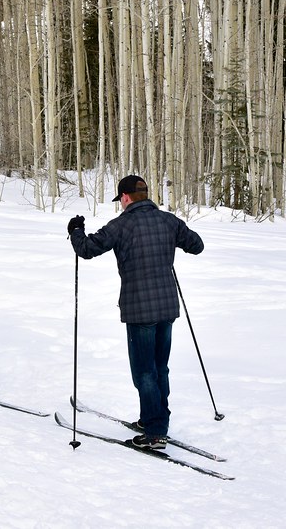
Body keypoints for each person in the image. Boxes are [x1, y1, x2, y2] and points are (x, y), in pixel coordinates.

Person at [67, 175, 204, 449]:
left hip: (139, 310)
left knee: (144, 372)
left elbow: (87, 249)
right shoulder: (169, 221)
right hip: (166, 307)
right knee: (159, 368)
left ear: (126, 197)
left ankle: (155, 432)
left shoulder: (122, 224)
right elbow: (197, 245)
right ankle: (152, 418)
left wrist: (76, 230)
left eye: (121, 200)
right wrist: (171, 242)